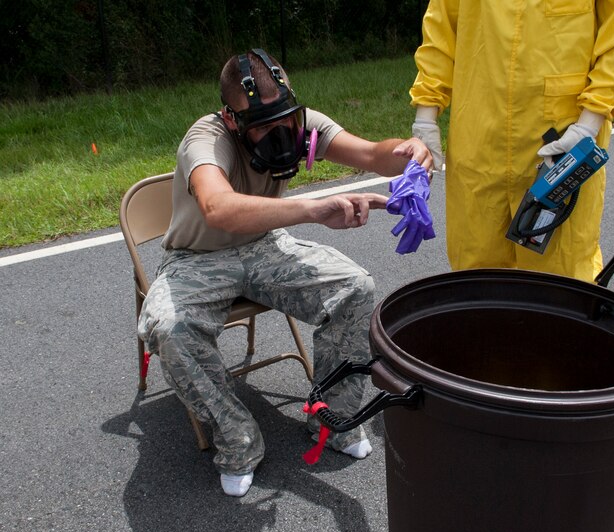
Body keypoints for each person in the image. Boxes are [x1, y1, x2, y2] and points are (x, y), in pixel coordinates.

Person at [138, 48, 432, 497]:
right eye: (262, 125)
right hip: (197, 258)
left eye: (285, 119)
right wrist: (312, 209)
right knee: (171, 329)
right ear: (232, 119)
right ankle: (238, 441)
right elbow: (218, 208)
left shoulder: (302, 121)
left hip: (264, 244)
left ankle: (335, 422)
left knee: (354, 288)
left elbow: (373, 155)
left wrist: (409, 153)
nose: (280, 134)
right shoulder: (207, 137)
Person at [409, 0, 614, 282]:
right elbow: (442, 29)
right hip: (478, 141)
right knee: (477, 280)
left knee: (561, 283)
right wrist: (425, 117)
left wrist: (590, 122)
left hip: (562, 143)